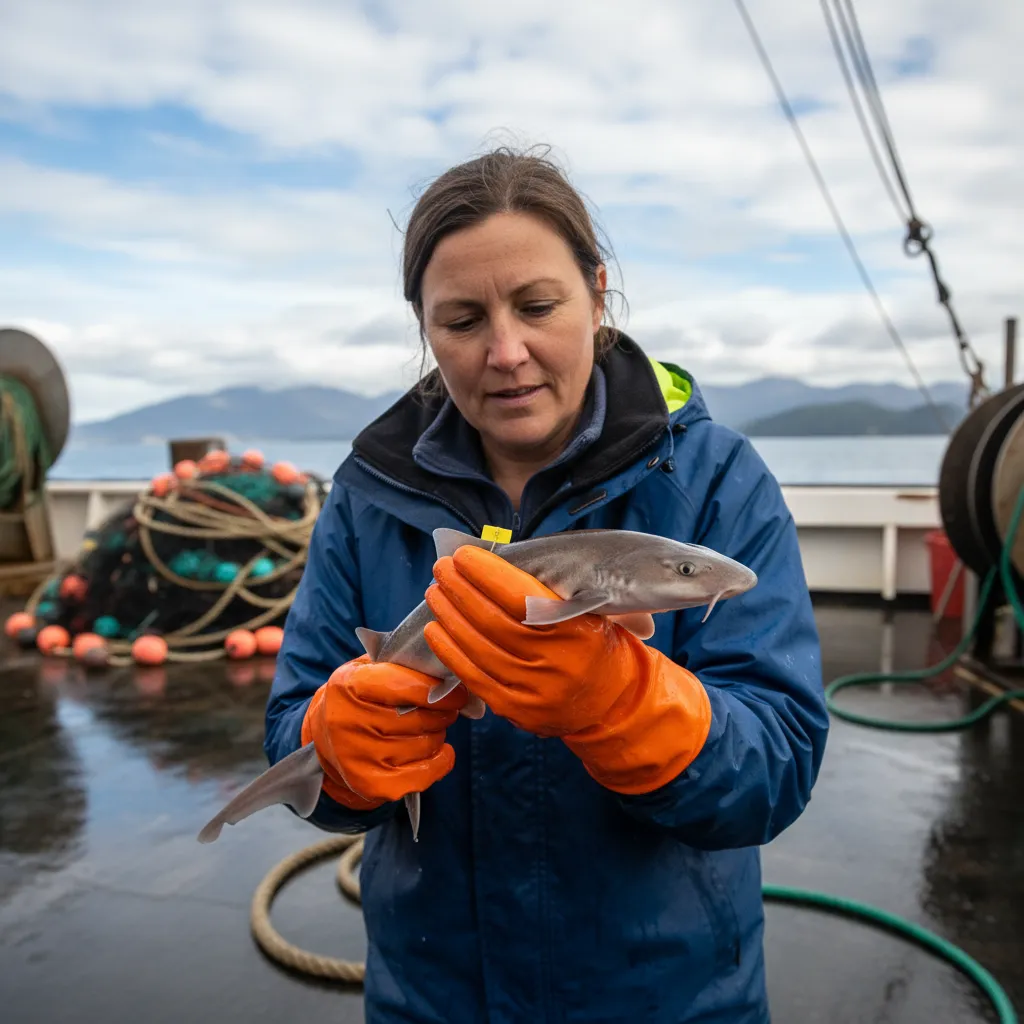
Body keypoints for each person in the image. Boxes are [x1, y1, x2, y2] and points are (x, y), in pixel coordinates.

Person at [265, 146, 829, 1023]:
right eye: (460, 320)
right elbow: (293, 728)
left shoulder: (717, 481)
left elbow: (779, 763)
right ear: (423, 326)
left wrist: (626, 705)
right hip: (432, 996)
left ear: (597, 294)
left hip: (666, 998)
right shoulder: (368, 498)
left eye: (537, 306)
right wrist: (336, 751)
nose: (506, 352)